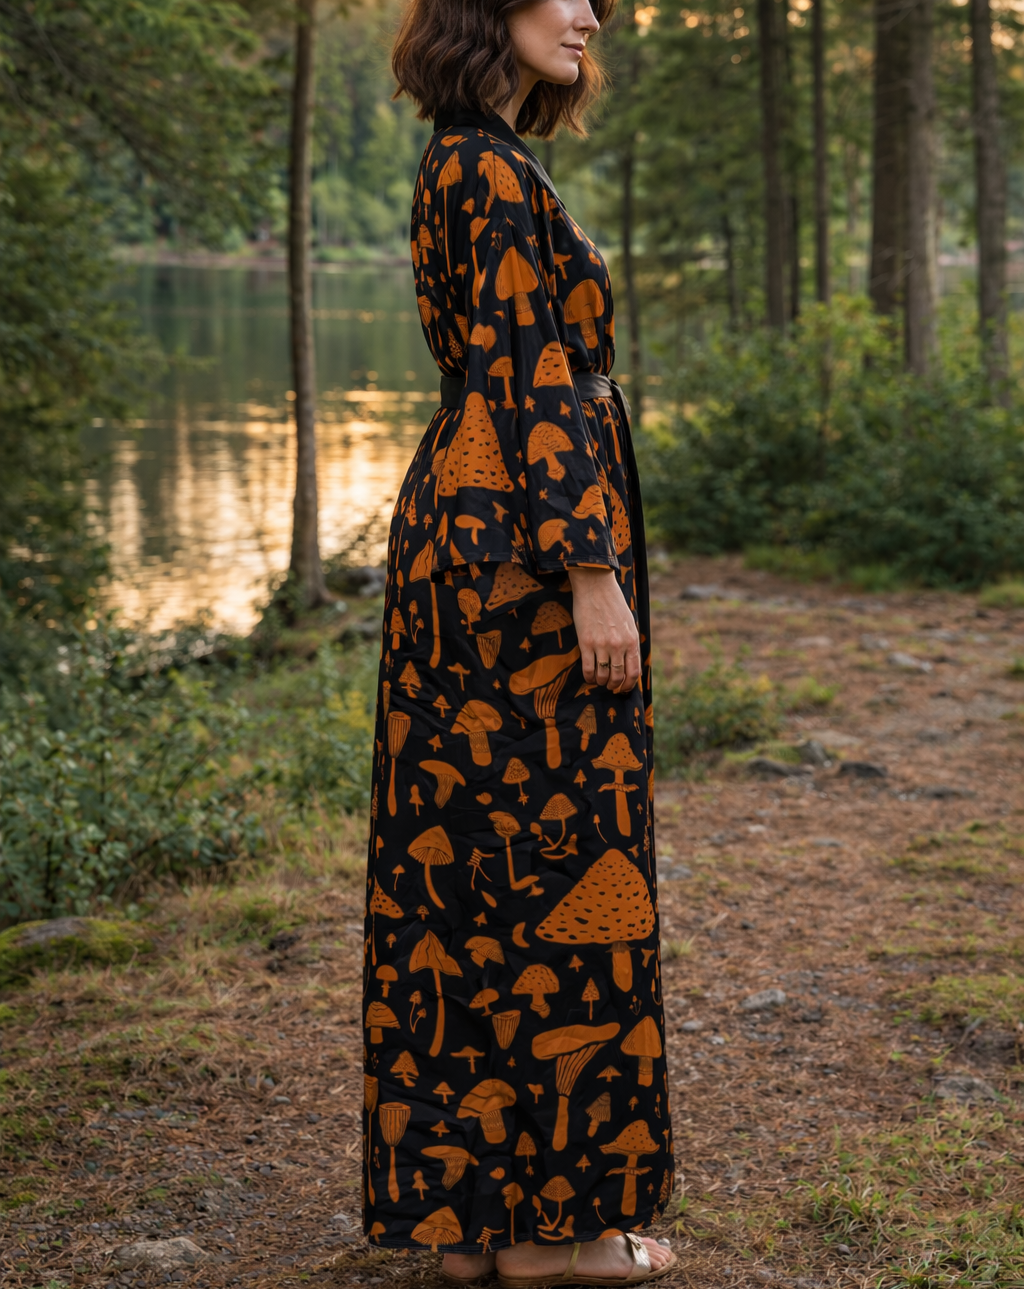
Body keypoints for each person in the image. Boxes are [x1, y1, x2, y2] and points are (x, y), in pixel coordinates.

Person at [362, 2, 674, 1284]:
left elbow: (507, 373)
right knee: (562, 863)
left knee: (467, 876)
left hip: (473, 539)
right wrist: (592, 573)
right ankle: (567, 1235)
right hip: (526, 557)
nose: (593, 10)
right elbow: (532, 374)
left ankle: (472, 1223)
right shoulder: (487, 170)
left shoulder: (462, 157)